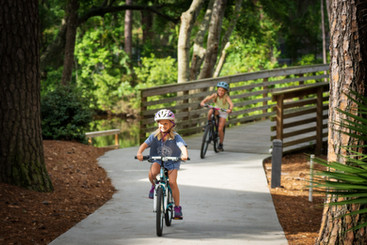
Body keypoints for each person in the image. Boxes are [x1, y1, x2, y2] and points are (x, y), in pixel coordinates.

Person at [136, 109, 188, 220]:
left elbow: (182, 146)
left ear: (171, 124)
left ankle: (177, 207)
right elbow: (144, 145)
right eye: (160, 123)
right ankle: (155, 186)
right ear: (157, 124)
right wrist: (139, 153)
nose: (163, 125)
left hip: (172, 161)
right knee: (152, 174)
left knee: (173, 182)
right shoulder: (154, 136)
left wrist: (184, 154)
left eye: (166, 123)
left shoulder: (176, 136)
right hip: (158, 159)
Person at [200, 81, 233, 151]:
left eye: (222, 91)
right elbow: (207, 99)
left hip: (223, 112)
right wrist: (203, 102)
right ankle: (209, 123)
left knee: (220, 129)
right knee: (210, 111)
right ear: (217, 90)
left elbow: (231, 104)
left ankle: (220, 144)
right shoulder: (215, 95)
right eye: (219, 90)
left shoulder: (226, 97)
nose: (220, 92)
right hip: (217, 110)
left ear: (225, 92)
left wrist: (230, 109)